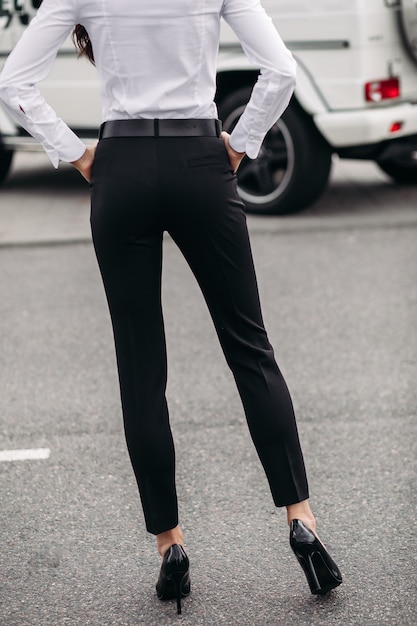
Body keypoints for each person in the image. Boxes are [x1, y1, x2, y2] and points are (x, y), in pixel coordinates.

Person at [0, 0, 342, 615]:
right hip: (200, 162)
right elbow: (281, 71)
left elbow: (13, 82)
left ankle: (171, 547)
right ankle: (302, 520)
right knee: (250, 349)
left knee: (140, 366)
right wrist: (241, 144)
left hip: (123, 166)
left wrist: (74, 152)